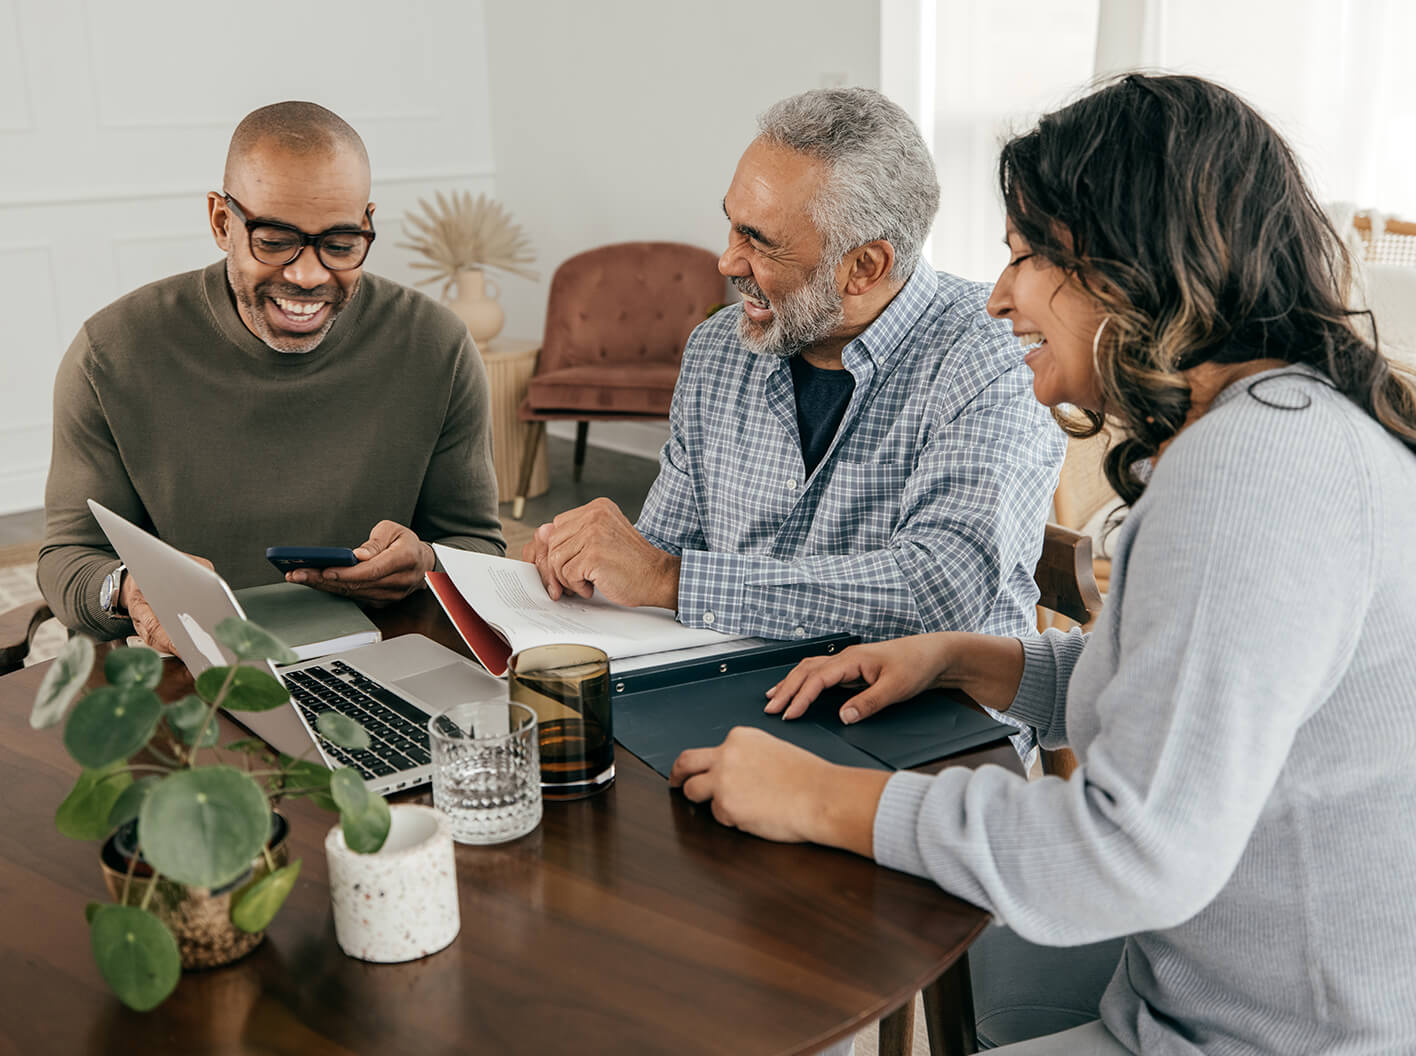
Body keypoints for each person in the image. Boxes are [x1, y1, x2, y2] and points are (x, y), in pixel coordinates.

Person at [669, 73, 1416, 1054]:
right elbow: (1176, 691)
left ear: (1128, 271)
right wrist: (974, 661)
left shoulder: (1249, 473)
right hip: (1191, 990)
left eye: (1027, 257)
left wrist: (819, 796)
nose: (998, 293)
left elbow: (1132, 845)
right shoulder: (1283, 425)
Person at [523, 88, 1063, 719]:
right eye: (731, 222)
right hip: (743, 698)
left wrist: (673, 579)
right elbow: (659, 546)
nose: (727, 260)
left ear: (864, 266)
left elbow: (943, 592)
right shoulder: (717, 350)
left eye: (761, 241)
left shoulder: (993, 356)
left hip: (932, 727)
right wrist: (591, 561)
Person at [38, 101, 504, 653]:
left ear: (367, 222)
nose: (308, 275)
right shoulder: (110, 353)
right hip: (193, 671)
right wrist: (128, 591)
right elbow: (68, 560)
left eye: (340, 243)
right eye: (275, 240)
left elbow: (479, 548)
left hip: (384, 658)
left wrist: (426, 561)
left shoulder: (437, 346)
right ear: (221, 221)